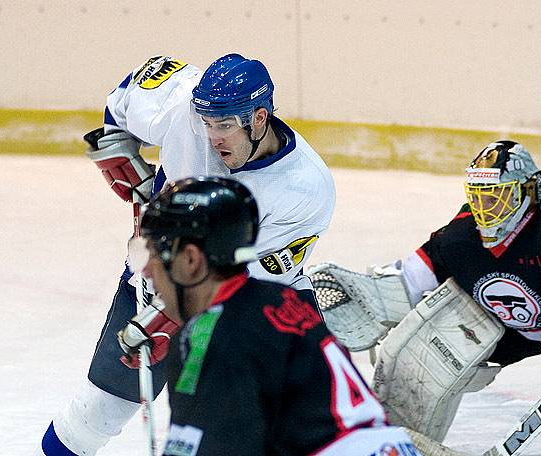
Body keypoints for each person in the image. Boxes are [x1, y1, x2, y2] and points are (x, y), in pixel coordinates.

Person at [35, 54, 335, 455]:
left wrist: (166, 316)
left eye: (225, 125)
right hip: (156, 277)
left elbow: (246, 282)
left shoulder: (305, 189)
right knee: (97, 414)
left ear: (259, 117)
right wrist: (116, 141)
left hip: (252, 309)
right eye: (207, 123)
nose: (213, 137)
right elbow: (126, 96)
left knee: (297, 418)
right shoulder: (184, 105)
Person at [311, 140, 541, 442]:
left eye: (495, 197)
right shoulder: (461, 237)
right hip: (501, 332)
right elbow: (408, 282)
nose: (483, 208)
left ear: (528, 192)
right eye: (478, 196)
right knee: (419, 352)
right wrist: (370, 297)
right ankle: (394, 443)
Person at [126, 176, 420, 455]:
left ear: (190, 259)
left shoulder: (213, 334)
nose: (147, 271)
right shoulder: (280, 298)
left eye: (152, 254)